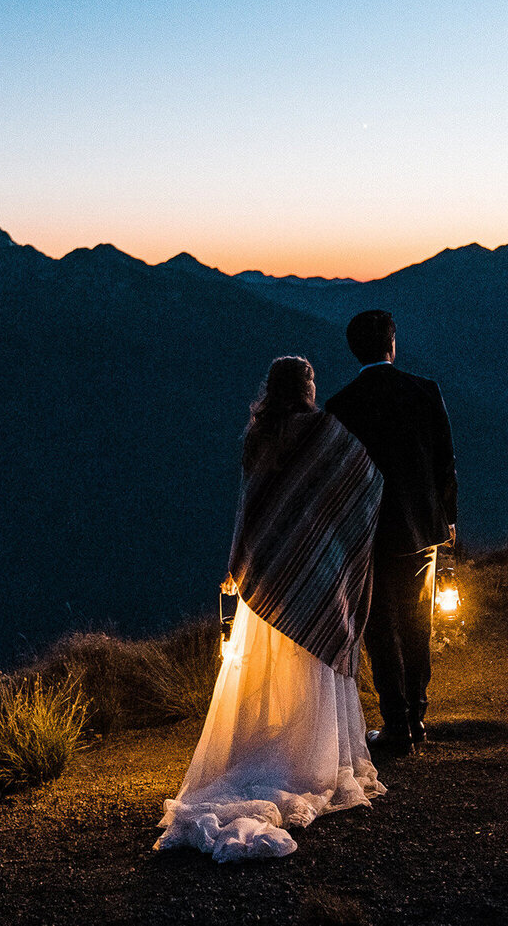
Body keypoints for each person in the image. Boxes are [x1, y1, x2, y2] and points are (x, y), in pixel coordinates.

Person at [155, 356, 386, 861]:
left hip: (270, 570)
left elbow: (250, 506)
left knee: (271, 667)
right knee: (310, 664)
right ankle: (308, 756)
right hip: (318, 571)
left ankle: (268, 748)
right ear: (307, 388)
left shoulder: (259, 436)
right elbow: (367, 483)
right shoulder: (327, 432)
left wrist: (238, 564)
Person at [325, 311, 457, 756]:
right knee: (419, 622)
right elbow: (445, 462)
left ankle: (396, 723)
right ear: (392, 343)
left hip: (370, 534)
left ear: (354, 349)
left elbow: (338, 479)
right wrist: (448, 518)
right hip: (421, 529)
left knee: (380, 628)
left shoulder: (341, 405)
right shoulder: (426, 391)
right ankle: (418, 715)